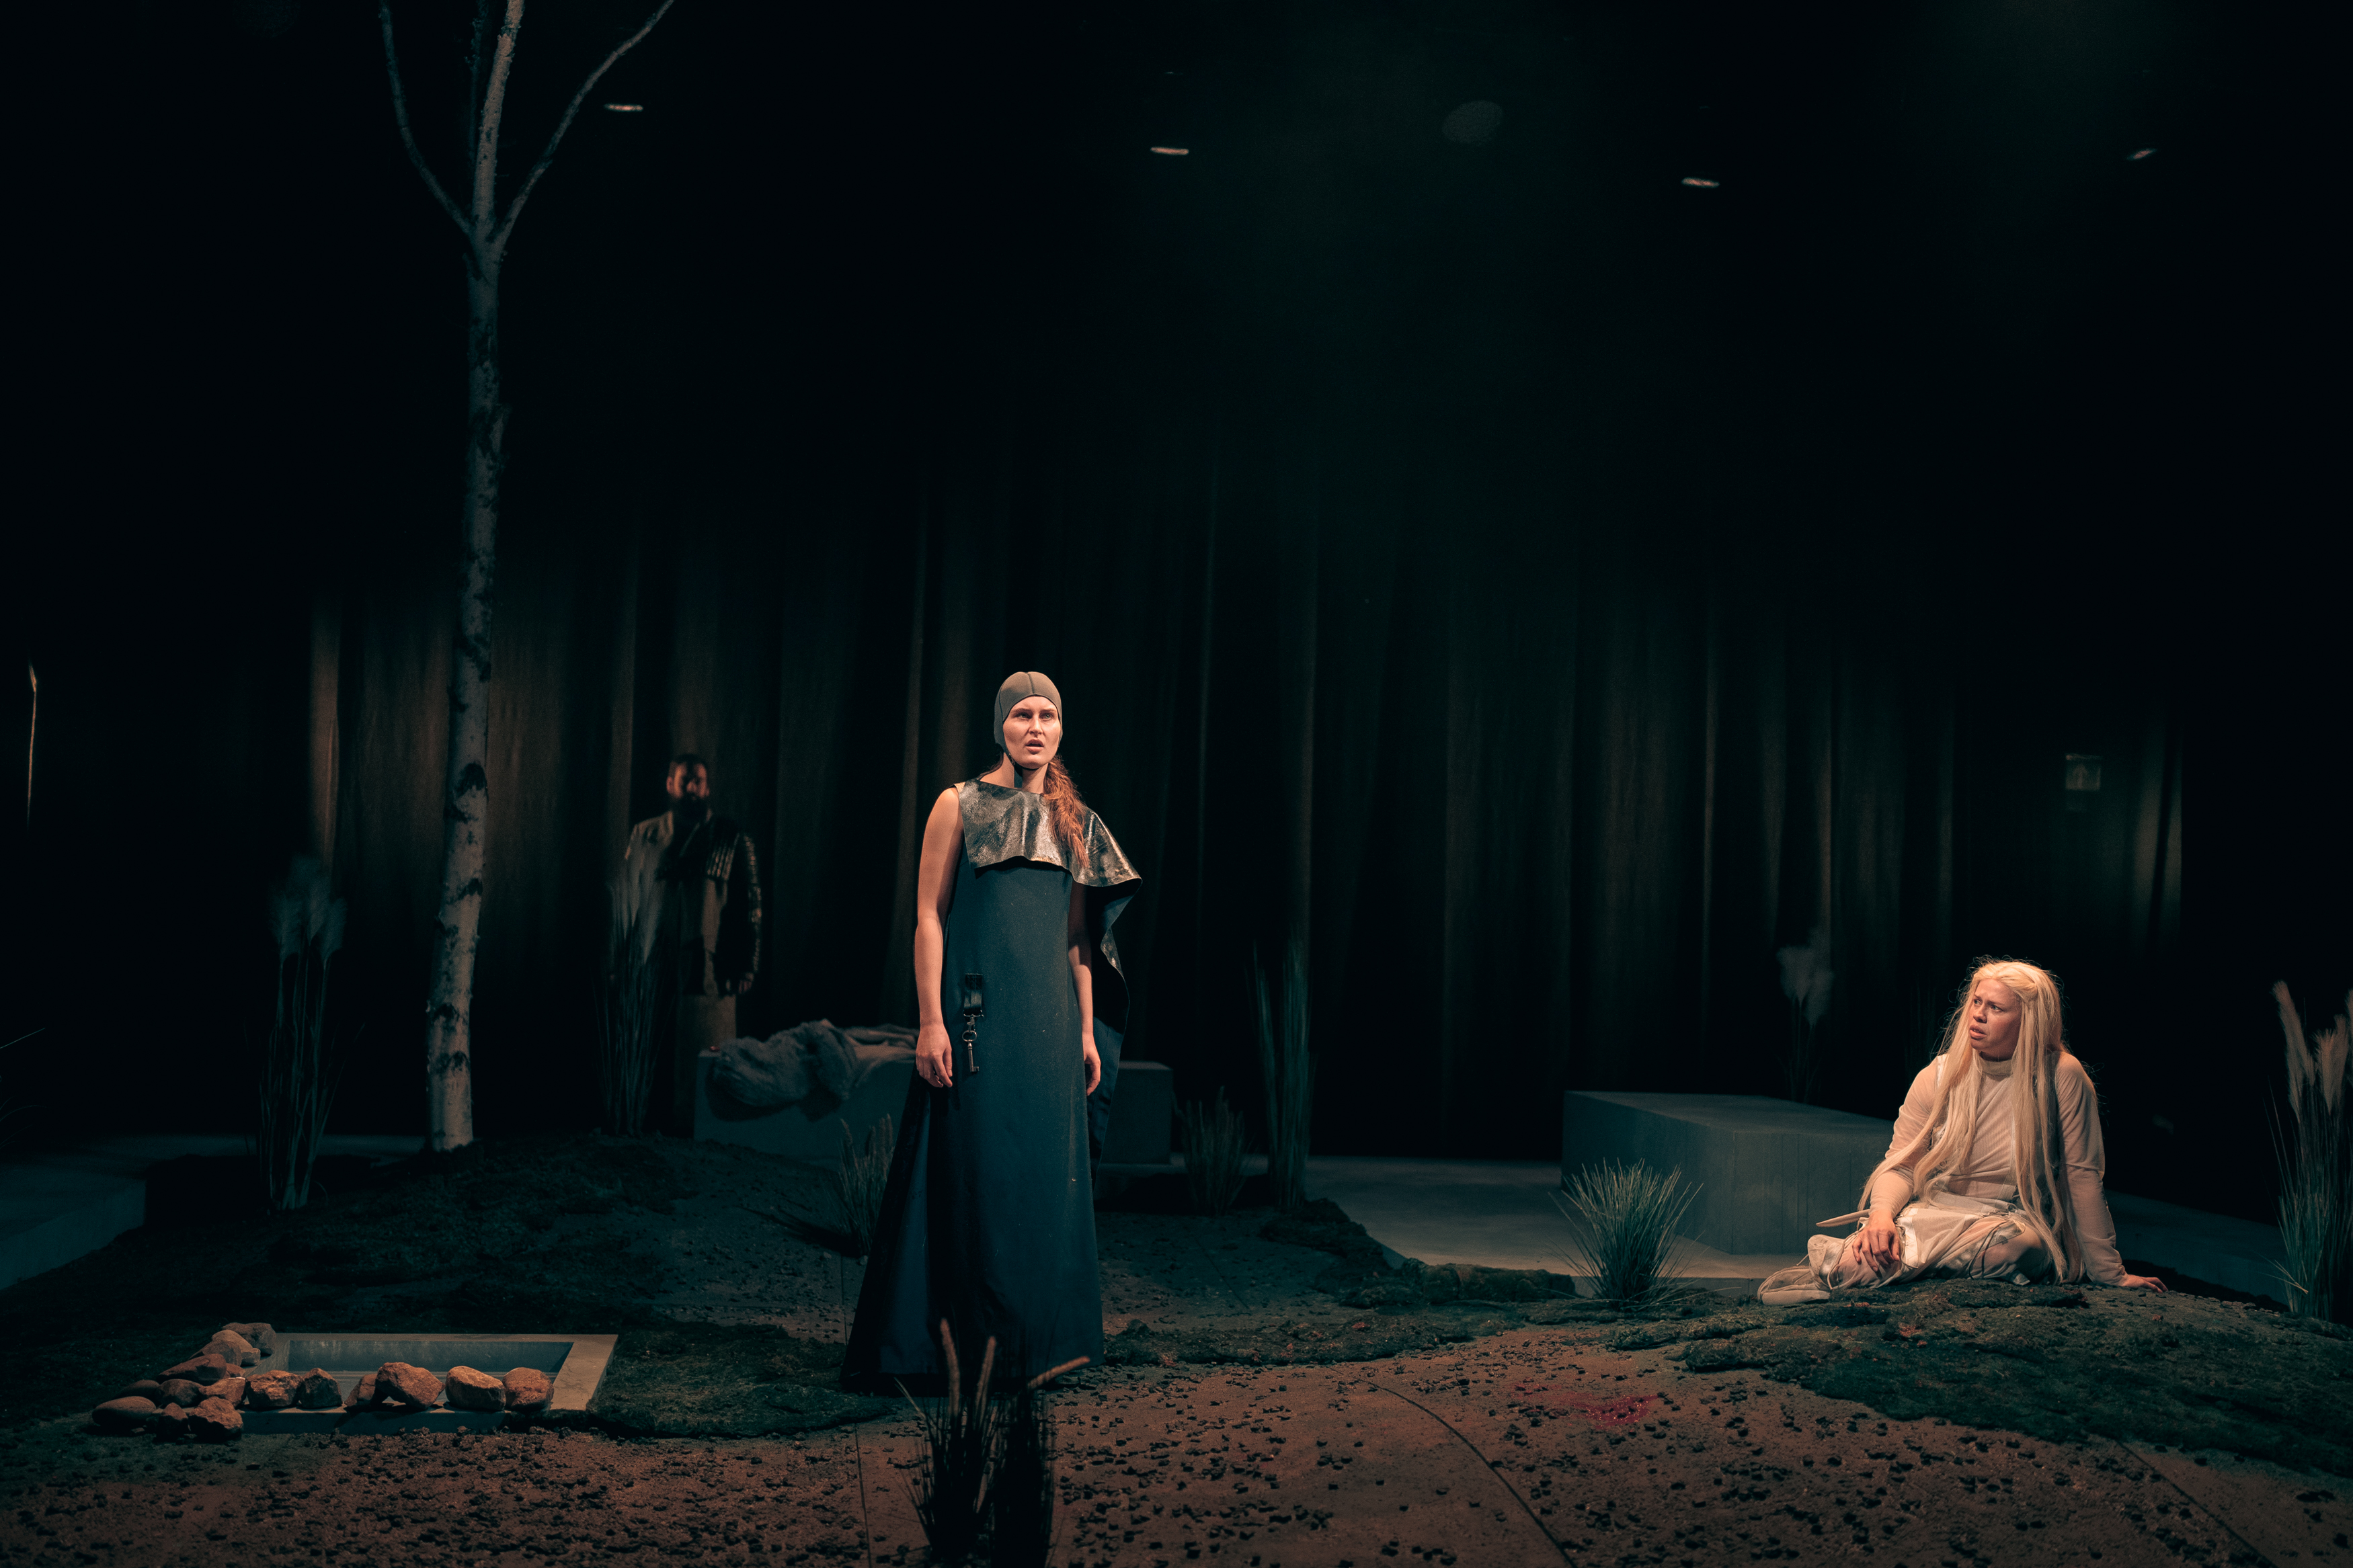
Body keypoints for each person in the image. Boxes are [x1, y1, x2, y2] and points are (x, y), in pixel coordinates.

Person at [844, 671, 1140, 1390]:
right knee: (974, 1179)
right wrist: (930, 1021)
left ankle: (1038, 1349)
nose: (1036, 728)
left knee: (1042, 1181)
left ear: (1061, 728)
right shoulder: (959, 804)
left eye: (1048, 715)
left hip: (1050, 1029)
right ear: (1000, 725)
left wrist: (1085, 1033)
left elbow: (1078, 937)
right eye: (1022, 715)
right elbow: (929, 915)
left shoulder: (1074, 821)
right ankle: (959, 1349)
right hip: (978, 1021)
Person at [1759, 957, 2165, 1305]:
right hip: (1934, 1214)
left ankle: (1900, 1272)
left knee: (2011, 1251)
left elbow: (2082, 1176)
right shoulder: (1939, 1076)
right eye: (1976, 1002)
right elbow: (1902, 1165)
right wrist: (1881, 1217)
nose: (1978, 1015)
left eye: (1996, 1008)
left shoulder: (2061, 1075)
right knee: (1866, 1257)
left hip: (2009, 1222)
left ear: (2029, 1020)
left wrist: (2110, 1273)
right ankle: (1875, 1268)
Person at [621, 753, 763, 1136]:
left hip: (710, 969)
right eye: (685, 780)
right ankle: (648, 1131)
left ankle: (703, 1135)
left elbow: (749, 904)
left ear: (708, 787)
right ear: (670, 785)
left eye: (698, 781)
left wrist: (745, 964)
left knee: (706, 1057)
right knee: (652, 1055)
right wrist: (623, 962)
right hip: (654, 965)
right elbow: (628, 902)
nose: (692, 788)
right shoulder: (645, 835)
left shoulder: (730, 837)